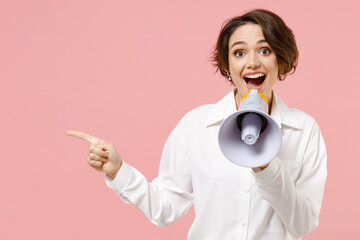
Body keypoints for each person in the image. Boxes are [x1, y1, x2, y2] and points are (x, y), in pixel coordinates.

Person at [67, 9, 327, 240]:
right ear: (227, 66)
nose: (252, 62)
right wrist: (118, 170)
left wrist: (267, 167)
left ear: (281, 60)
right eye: (239, 52)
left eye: (265, 50)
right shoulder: (195, 126)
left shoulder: (304, 130)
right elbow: (164, 208)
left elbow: (303, 223)